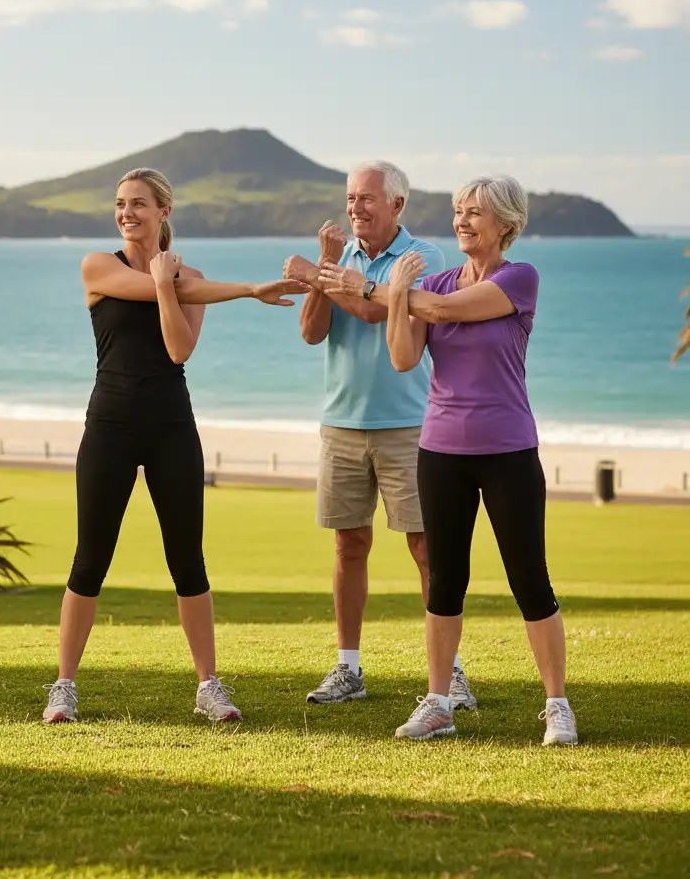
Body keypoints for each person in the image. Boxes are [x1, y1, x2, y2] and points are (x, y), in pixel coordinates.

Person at [43, 167, 309, 725]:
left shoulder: (194, 279)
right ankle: (64, 685)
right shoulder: (98, 267)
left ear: (164, 212)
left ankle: (208, 686)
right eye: (120, 204)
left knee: (188, 561)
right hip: (110, 427)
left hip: (171, 428)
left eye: (139, 204)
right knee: (90, 559)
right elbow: (167, 286)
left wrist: (172, 284)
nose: (126, 213)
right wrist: (231, 287)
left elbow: (178, 349)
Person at [318, 175, 577, 746]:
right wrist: (394, 296)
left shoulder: (518, 279)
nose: (461, 222)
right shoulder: (429, 280)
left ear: (505, 225)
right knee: (445, 583)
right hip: (440, 452)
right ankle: (438, 704)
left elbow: (438, 307)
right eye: (458, 212)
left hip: (508, 450)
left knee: (528, 579)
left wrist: (373, 288)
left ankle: (557, 704)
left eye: (474, 214)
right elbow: (404, 355)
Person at [284, 161, 477, 710]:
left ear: (397, 205)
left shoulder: (425, 258)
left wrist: (316, 272)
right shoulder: (338, 259)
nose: (355, 208)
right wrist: (324, 267)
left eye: (367, 198)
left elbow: (376, 311)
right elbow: (311, 331)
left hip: (410, 426)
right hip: (341, 424)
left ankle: (451, 673)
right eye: (350, 198)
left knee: (425, 549)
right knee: (349, 545)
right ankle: (348, 668)